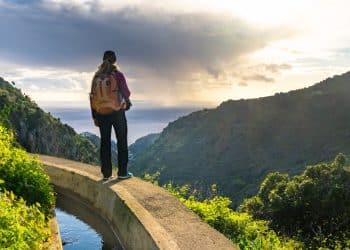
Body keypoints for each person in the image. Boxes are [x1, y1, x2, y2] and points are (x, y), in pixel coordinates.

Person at [91, 50, 133, 180]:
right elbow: (127, 93)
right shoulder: (117, 75)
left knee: (105, 142)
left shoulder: (96, 77)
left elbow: (92, 98)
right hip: (117, 112)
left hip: (101, 114)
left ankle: (106, 173)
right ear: (115, 60)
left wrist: (95, 117)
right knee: (122, 140)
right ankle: (122, 173)